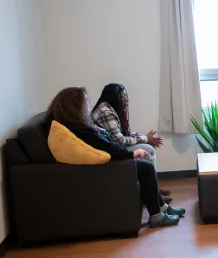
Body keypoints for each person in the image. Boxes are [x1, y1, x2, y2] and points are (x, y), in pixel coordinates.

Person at [48, 87, 186, 228]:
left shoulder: (76, 125)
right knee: (147, 167)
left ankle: (162, 208)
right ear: (75, 106)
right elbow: (107, 146)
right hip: (108, 165)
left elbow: (110, 142)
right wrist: (131, 154)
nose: (88, 105)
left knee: (145, 163)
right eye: (86, 102)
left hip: (108, 160)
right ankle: (156, 217)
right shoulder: (81, 128)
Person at [91, 83, 171, 201]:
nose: (126, 98)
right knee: (148, 150)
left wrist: (145, 137)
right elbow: (121, 140)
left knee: (147, 148)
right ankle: (153, 193)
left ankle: (154, 189)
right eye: (123, 96)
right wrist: (146, 139)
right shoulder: (106, 111)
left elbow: (124, 133)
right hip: (111, 151)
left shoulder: (108, 108)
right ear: (114, 97)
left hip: (113, 147)